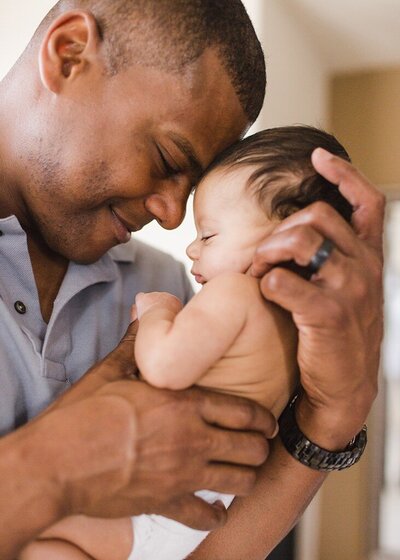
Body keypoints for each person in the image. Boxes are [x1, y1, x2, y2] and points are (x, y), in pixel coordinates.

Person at [0, 0, 384, 559]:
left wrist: (333, 414)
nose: (173, 215)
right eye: (165, 156)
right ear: (69, 54)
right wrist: (52, 468)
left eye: (194, 185)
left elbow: (191, 549)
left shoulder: (168, 285)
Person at [18, 127, 359, 560]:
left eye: (210, 235)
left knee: (33, 538)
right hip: (192, 519)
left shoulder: (234, 293)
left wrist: (159, 311)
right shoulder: (292, 331)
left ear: (286, 239)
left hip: (150, 504)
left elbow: (164, 366)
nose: (192, 248)